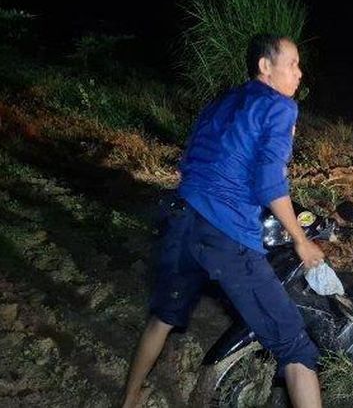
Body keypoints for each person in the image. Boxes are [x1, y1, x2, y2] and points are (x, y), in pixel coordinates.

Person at [121, 34, 324, 408]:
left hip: (182, 220)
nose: (299, 73)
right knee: (296, 347)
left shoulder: (223, 100)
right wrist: (301, 240)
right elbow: (269, 183)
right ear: (265, 66)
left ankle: (129, 400)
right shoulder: (279, 106)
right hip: (225, 234)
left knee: (162, 318)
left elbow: (198, 158)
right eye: (292, 64)